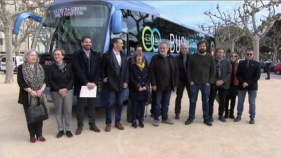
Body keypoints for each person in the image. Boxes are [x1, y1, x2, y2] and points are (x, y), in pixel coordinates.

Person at [72, 36, 101, 135]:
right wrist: (86, 82)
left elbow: (98, 70)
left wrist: (94, 82)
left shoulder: (96, 54)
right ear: (82, 43)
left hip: (93, 85)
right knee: (80, 107)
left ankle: (92, 124)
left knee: (92, 106)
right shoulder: (76, 54)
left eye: (89, 42)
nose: (88, 43)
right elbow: (77, 70)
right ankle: (80, 126)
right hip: (82, 85)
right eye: (86, 42)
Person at [17, 48, 47, 143]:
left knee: (40, 115)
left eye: (35, 55)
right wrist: (31, 91)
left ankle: (40, 134)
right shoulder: (21, 68)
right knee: (30, 116)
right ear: (27, 57)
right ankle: (32, 135)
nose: (34, 57)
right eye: (32, 55)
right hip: (27, 96)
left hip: (39, 95)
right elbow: (21, 82)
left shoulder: (40, 67)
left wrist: (41, 90)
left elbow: (45, 80)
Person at [185, 40, 215, 126]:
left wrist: (210, 82)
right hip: (194, 84)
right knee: (193, 101)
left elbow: (213, 71)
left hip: (206, 84)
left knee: (205, 102)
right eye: (200, 46)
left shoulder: (210, 58)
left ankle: (206, 118)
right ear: (198, 47)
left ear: (206, 47)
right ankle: (191, 118)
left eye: (204, 46)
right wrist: (190, 81)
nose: (202, 47)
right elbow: (188, 70)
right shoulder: (192, 57)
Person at [102, 38, 129, 132]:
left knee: (120, 103)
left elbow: (126, 70)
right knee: (109, 104)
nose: (122, 45)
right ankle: (108, 123)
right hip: (111, 83)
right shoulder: (107, 55)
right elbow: (102, 68)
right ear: (115, 44)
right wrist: (103, 77)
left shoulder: (124, 55)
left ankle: (118, 122)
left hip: (121, 84)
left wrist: (126, 81)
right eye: (121, 43)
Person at [150, 42, 179, 126]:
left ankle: (165, 118)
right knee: (157, 102)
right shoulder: (154, 58)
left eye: (164, 48)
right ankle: (156, 118)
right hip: (158, 85)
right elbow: (151, 72)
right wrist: (154, 84)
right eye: (161, 48)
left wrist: (175, 83)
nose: (162, 49)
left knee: (166, 103)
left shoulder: (172, 59)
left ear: (168, 49)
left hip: (169, 85)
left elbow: (176, 70)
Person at [48, 48, 74, 138]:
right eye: (55, 55)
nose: (57, 56)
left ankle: (68, 129)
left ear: (63, 56)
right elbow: (50, 81)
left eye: (58, 54)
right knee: (58, 111)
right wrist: (59, 90)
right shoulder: (51, 67)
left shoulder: (69, 66)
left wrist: (66, 89)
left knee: (68, 111)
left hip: (68, 91)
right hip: (56, 92)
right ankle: (60, 130)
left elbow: (72, 79)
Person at [235, 48, 261, 124]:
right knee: (240, 102)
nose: (249, 55)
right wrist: (243, 82)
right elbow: (238, 74)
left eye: (251, 54)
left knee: (252, 102)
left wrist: (248, 83)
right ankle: (239, 115)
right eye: (248, 54)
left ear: (253, 55)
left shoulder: (257, 64)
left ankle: (252, 117)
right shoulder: (241, 63)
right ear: (245, 54)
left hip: (252, 86)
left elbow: (257, 76)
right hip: (241, 86)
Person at [208, 48, 231, 122]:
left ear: (224, 53)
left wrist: (223, 81)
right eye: (219, 52)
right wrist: (215, 81)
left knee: (222, 100)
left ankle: (221, 115)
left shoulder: (227, 62)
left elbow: (229, 73)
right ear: (216, 53)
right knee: (211, 100)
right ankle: (210, 115)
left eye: (222, 52)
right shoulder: (212, 61)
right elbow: (209, 72)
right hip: (214, 84)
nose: (221, 53)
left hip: (223, 84)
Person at [129, 51, 150, 128]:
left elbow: (148, 77)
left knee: (142, 106)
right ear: (135, 58)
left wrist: (146, 86)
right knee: (134, 106)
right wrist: (138, 86)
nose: (139, 58)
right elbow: (131, 78)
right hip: (135, 90)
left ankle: (141, 120)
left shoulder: (146, 67)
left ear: (143, 58)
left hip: (144, 89)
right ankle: (134, 121)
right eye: (137, 56)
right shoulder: (132, 66)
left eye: (140, 56)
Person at [126, 45, 144, 123]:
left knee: (140, 101)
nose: (139, 52)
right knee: (131, 101)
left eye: (141, 50)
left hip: (142, 85)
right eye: (138, 50)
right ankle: (129, 116)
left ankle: (138, 115)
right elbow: (129, 74)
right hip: (133, 85)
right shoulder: (130, 60)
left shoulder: (144, 59)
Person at [174, 43, 190, 119]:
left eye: (186, 48)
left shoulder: (191, 58)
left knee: (192, 97)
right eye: (183, 48)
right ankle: (177, 112)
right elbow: (175, 70)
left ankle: (191, 113)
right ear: (180, 49)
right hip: (180, 80)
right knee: (179, 97)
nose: (184, 50)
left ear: (188, 49)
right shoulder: (176, 58)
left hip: (189, 81)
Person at [224, 52, 239, 119]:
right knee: (226, 100)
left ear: (236, 57)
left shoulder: (238, 65)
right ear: (229, 57)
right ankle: (226, 113)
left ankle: (231, 113)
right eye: (232, 56)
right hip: (227, 84)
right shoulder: (227, 64)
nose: (233, 57)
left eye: (235, 56)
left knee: (233, 100)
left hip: (235, 84)